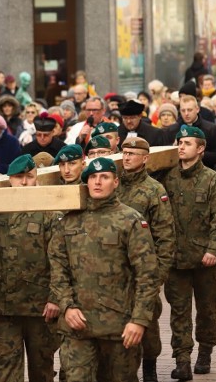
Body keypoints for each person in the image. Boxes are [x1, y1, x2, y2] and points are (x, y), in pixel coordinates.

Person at [49, 157, 159, 381]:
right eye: (92, 177)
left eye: (104, 177)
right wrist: (66, 306)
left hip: (119, 328)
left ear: (116, 182)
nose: (98, 182)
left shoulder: (130, 221)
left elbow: (147, 275)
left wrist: (139, 320)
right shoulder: (68, 221)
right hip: (77, 326)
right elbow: (58, 269)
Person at [160, 126, 216, 380]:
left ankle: (205, 352)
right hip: (176, 260)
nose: (181, 146)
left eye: (187, 143)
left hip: (205, 261)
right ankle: (182, 360)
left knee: (206, 310)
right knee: (179, 312)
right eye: (179, 142)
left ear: (200, 149)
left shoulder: (212, 179)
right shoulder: (168, 178)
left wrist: (213, 249)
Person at [0, 155, 60, 381]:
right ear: (10, 179)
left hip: (40, 306)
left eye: (29, 177)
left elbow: (59, 259)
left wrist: (56, 297)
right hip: (3, 305)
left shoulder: (49, 209)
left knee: (42, 369)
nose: (25, 183)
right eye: (19, 177)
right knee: (6, 370)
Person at [116, 137, 176, 382]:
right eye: (125, 153)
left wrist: (158, 276)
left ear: (145, 158)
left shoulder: (154, 190)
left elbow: (165, 236)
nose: (127, 157)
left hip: (145, 270)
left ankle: (150, 368)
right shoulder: (114, 184)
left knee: (148, 322)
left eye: (132, 153)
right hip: (117, 269)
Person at [165, 95, 216, 170]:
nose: (186, 113)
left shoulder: (211, 129)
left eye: (189, 110)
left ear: (197, 109)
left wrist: (197, 154)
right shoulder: (171, 130)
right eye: (183, 110)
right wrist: (173, 148)